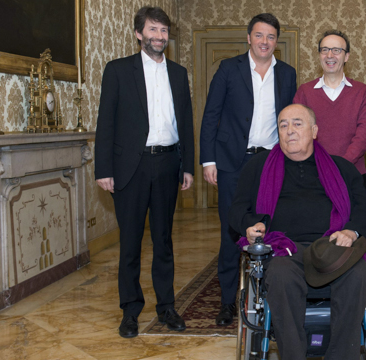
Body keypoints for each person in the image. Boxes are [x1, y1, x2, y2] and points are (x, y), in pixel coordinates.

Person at [230, 104, 366, 360]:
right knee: (279, 274)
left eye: (297, 123)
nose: (289, 131)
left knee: (359, 273)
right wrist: (250, 225)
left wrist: (351, 232)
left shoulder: (341, 167)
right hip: (285, 251)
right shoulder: (258, 167)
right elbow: (236, 210)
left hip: (331, 250)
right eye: (283, 125)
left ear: (315, 130)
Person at [94, 6, 194, 338]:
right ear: (139, 34)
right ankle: (130, 311)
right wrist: (103, 168)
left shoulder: (179, 74)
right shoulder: (118, 70)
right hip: (130, 168)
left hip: (167, 164)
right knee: (130, 243)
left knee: (164, 241)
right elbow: (105, 122)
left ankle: (166, 307)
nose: (159, 37)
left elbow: (187, 123)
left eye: (164, 31)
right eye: (153, 30)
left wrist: (188, 166)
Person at [199, 13, 298, 326]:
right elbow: (211, 113)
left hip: (271, 162)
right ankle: (228, 301)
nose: (264, 42)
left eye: (270, 36)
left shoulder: (287, 74)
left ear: (276, 41)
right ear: (249, 38)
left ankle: (270, 293)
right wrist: (208, 160)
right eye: (259, 35)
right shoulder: (229, 69)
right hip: (231, 161)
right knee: (232, 230)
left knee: (272, 227)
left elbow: (291, 120)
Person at [293, 30, 366, 181]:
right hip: (313, 174)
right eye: (325, 50)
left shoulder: (362, 92)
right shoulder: (304, 92)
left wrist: (341, 165)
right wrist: (320, 165)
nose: (330, 55)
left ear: (346, 56)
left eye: (336, 50)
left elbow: (364, 135)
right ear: (319, 56)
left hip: (351, 173)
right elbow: (298, 133)